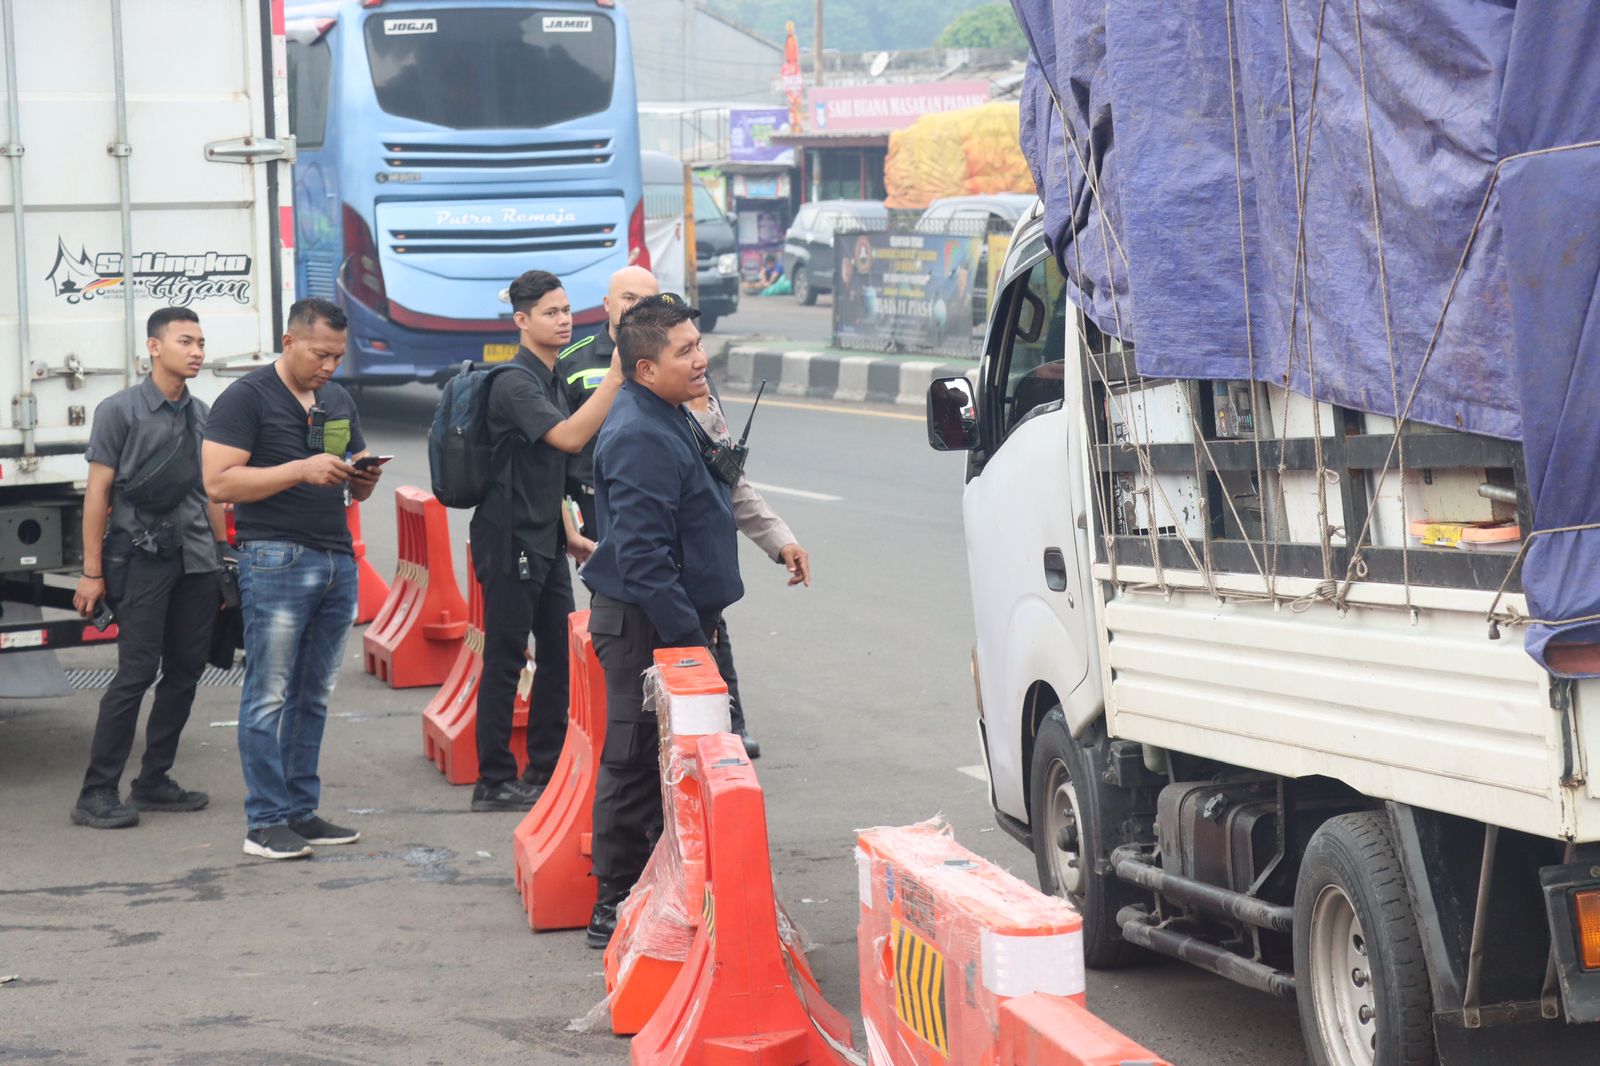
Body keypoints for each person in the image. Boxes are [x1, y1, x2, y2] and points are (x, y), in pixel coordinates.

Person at [579, 293, 744, 947]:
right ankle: (613, 901)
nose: (701, 359)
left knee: (684, 759)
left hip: (678, 618)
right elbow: (644, 560)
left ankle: (672, 885)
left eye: (699, 344)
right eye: (685, 351)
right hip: (648, 624)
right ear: (646, 369)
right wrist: (690, 644)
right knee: (634, 760)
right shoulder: (640, 434)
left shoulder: (672, 413)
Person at [201, 298, 382, 861]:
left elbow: (354, 465)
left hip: (335, 559)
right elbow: (218, 483)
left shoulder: (337, 399)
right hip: (275, 558)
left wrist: (363, 476)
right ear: (289, 342)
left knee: (313, 695)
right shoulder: (246, 397)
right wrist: (300, 470)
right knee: (269, 694)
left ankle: (301, 812)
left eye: (337, 357)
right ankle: (265, 821)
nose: (328, 366)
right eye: (319, 354)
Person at [467, 269, 623, 813]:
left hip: (546, 539)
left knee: (558, 654)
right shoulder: (515, 383)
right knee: (507, 657)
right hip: (509, 538)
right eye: (550, 313)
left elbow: (549, 468)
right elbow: (570, 439)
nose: (563, 321)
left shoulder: (549, 376)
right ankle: (493, 781)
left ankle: (544, 764)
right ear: (521, 320)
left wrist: (571, 533)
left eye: (566, 310)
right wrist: (616, 377)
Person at [68, 307, 226, 829]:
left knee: (185, 671)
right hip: (140, 558)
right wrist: (92, 572)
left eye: (201, 343)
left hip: (197, 560)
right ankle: (96, 792)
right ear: (154, 347)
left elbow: (211, 491)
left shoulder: (203, 413)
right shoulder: (120, 411)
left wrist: (223, 553)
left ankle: (154, 780)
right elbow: (97, 493)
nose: (197, 351)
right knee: (135, 673)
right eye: (185, 341)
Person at [685, 387, 812, 758]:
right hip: (665, 590)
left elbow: (731, 482)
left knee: (714, 647)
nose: (700, 363)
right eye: (686, 357)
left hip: (702, 586)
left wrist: (782, 542)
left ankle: (731, 727)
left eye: (699, 356)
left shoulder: (702, 399)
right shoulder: (644, 420)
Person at [556, 265, 660, 540]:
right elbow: (555, 447)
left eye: (647, 301)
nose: (637, 308)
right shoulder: (572, 362)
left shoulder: (677, 358)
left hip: (660, 500)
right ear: (607, 303)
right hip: (595, 505)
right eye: (629, 298)